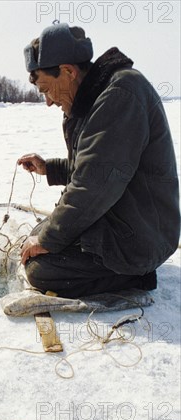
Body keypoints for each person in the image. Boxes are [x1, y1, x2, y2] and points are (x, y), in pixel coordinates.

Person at [18, 23, 180, 298]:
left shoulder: (120, 95)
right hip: (123, 216)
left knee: (40, 268)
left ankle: (135, 275)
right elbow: (96, 168)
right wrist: (51, 169)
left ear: (68, 71)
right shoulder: (96, 96)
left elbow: (93, 184)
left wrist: (49, 240)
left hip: (142, 236)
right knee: (38, 236)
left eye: (47, 89)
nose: (47, 101)